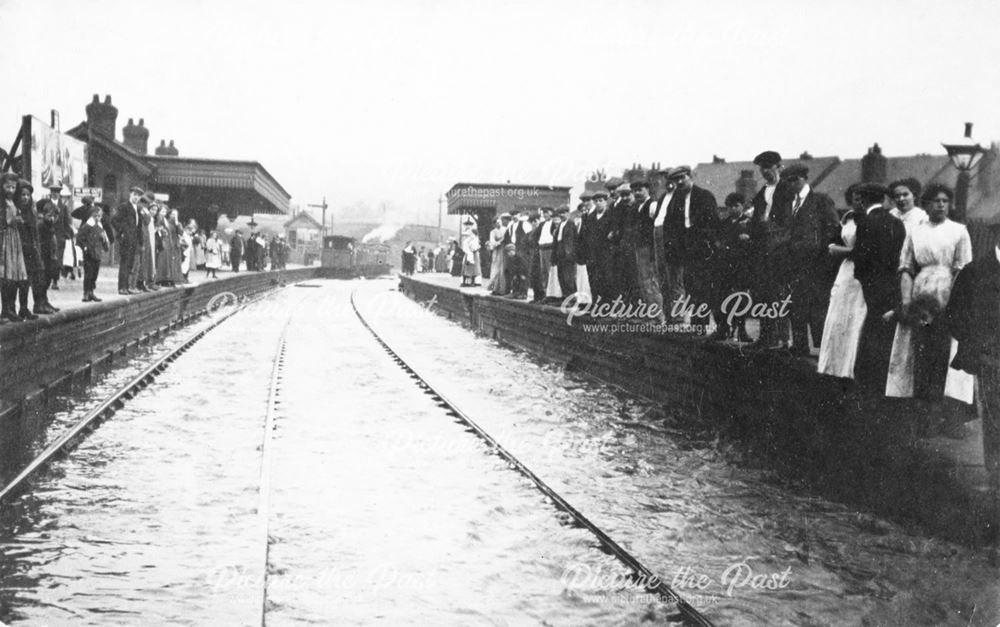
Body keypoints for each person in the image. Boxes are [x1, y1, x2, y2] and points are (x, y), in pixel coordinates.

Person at [885, 184, 974, 431]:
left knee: (945, 357)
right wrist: (906, 301)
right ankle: (922, 418)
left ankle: (949, 418)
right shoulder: (915, 232)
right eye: (936, 201)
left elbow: (963, 270)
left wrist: (952, 303)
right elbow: (905, 267)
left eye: (945, 200)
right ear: (927, 204)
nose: (941, 205)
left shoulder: (959, 231)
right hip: (920, 296)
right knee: (921, 355)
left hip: (948, 295)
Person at [946, 237, 1000, 511]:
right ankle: (995, 476)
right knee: (994, 414)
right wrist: (975, 345)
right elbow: (954, 313)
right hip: (991, 356)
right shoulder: (976, 270)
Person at [774, 164, 839, 356]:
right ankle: (800, 345)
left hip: (816, 264)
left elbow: (833, 229)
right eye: (788, 181)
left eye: (795, 180)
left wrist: (822, 255)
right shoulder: (790, 204)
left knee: (818, 306)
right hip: (795, 264)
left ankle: (821, 349)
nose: (792, 184)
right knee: (797, 305)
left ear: (805, 179)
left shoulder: (820, 200)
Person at [853, 182, 906, 395]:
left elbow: (861, 258)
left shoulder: (866, 222)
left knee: (873, 325)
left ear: (864, 200)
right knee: (887, 328)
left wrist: (862, 278)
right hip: (893, 282)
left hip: (873, 284)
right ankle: (885, 377)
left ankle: (869, 380)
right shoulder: (896, 222)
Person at [817, 185, 868, 378]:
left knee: (856, 315)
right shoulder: (847, 219)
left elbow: (865, 250)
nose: (859, 202)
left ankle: (850, 366)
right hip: (846, 271)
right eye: (855, 199)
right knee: (839, 315)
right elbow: (834, 240)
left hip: (861, 271)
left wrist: (842, 250)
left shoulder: (870, 221)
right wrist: (833, 246)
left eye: (863, 199)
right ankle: (833, 365)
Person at [748, 151, 793, 349]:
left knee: (779, 292)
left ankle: (784, 339)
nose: (766, 172)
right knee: (763, 292)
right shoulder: (762, 192)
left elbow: (788, 220)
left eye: (769, 167)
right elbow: (757, 219)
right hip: (762, 246)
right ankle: (766, 337)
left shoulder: (787, 189)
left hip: (780, 247)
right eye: (762, 169)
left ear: (779, 167)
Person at [663, 165, 720, 320]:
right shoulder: (677, 199)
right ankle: (696, 324)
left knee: (703, 287)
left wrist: (705, 241)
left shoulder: (704, 196)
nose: (680, 182)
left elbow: (713, 223)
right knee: (690, 285)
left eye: (682, 178)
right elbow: (671, 223)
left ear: (690, 177)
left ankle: (703, 324)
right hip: (686, 247)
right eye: (676, 179)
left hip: (702, 247)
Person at [708, 193, 752, 341]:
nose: (733, 209)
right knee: (723, 298)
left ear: (743, 206)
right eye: (730, 206)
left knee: (740, 299)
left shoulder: (748, 223)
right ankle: (723, 328)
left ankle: (741, 330)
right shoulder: (724, 224)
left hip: (741, 267)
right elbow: (717, 242)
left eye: (736, 206)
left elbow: (752, 245)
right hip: (725, 267)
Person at [14, 180, 50, 317]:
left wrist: (36, 252)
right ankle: (11, 309)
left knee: (26, 281)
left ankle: (24, 307)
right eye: (23, 195)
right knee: (15, 281)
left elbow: (34, 235)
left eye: (28, 195)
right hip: (17, 250)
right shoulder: (15, 211)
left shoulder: (31, 213)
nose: (25, 198)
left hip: (29, 251)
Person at [0, 173, 29, 322]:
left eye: (13, 187)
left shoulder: (11, 201)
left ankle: (10, 308)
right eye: (7, 186)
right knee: (5, 274)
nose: (10, 190)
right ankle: (5, 309)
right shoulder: (2, 202)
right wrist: (13, 220)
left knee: (12, 275)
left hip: (13, 239)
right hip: (5, 239)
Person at [111, 186, 144, 295]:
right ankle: (122, 287)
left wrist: (141, 241)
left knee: (130, 264)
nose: (136, 197)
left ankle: (128, 286)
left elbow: (138, 226)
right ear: (130, 194)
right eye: (134, 195)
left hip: (134, 241)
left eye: (138, 196)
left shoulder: (138, 209)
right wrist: (122, 232)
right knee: (124, 264)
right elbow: (114, 220)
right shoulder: (124, 207)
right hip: (126, 240)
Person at [76, 205, 110, 302]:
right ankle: (86, 293)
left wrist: (105, 243)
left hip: (97, 253)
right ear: (92, 216)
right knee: (88, 274)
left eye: (99, 216)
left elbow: (104, 238)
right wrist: (85, 247)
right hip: (89, 253)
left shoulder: (100, 227)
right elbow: (80, 238)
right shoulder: (87, 226)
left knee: (95, 274)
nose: (98, 218)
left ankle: (91, 292)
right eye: (96, 216)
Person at [136, 200, 158, 291]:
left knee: (148, 263)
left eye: (155, 210)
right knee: (143, 263)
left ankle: (147, 282)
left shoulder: (152, 219)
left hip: (150, 242)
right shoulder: (145, 216)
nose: (153, 212)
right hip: (145, 242)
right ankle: (142, 283)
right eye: (152, 209)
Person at [487, 215, 510, 295]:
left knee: (503, 269)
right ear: (494, 224)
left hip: (504, 251)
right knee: (496, 269)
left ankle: (503, 289)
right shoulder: (493, 232)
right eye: (496, 223)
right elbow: (492, 242)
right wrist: (499, 242)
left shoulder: (506, 230)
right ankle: (495, 288)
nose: (498, 224)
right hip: (497, 252)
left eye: (499, 222)